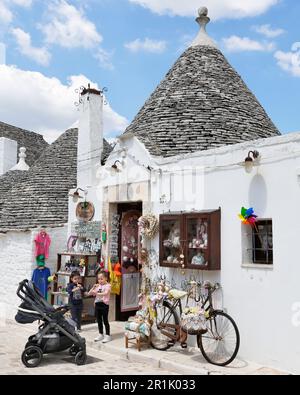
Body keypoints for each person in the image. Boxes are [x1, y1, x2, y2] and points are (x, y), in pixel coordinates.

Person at [89, 270, 112, 343]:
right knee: (99, 320)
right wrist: (93, 287)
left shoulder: (108, 285)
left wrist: (96, 293)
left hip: (104, 305)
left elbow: (105, 293)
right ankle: (101, 334)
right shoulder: (98, 286)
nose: (100, 280)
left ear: (106, 278)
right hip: (97, 304)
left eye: (101, 278)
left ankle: (108, 335)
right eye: (98, 279)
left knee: (105, 320)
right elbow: (89, 293)